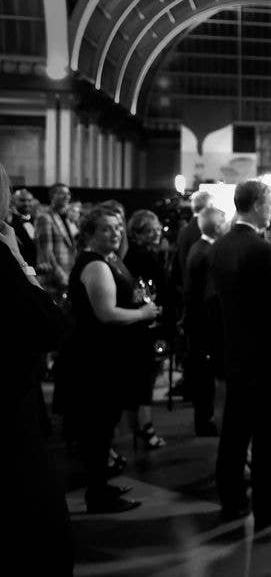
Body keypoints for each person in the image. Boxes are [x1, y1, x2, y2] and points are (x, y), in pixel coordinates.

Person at [210, 180, 271, 529]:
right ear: (258, 204)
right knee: (268, 432)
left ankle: (232, 500)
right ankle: (269, 505)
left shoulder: (220, 246)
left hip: (235, 352)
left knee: (234, 430)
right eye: (270, 203)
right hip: (266, 357)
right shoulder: (262, 250)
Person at [0, 164, 74, 575]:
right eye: (9, 190)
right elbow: (49, 327)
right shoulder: (4, 251)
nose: (14, 199)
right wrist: (19, 264)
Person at [64, 207, 159, 513]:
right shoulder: (95, 266)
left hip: (104, 357)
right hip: (96, 360)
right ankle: (97, 493)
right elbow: (106, 313)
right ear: (90, 233)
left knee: (103, 426)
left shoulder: (108, 260)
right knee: (98, 427)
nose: (116, 233)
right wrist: (143, 314)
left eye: (118, 227)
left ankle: (101, 486)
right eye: (106, 228)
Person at [123, 209, 171, 450]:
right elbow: (141, 291)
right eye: (150, 231)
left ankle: (143, 426)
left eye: (157, 229)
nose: (156, 234)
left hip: (150, 325)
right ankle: (145, 427)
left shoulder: (150, 253)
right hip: (144, 327)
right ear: (137, 233)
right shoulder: (139, 256)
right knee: (144, 379)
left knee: (147, 377)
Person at [183, 205, 226, 436]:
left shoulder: (198, 248)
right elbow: (210, 295)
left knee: (204, 375)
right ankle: (206, 420)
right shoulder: (208, 252)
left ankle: (205, 418)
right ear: (218, 226)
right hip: (206, 326)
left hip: (198, 323)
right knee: (206, 377)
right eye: (224, 219)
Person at [34, 183, 75, 299]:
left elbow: (72, 247)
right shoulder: (45, 217)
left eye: (68, 193)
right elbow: (46, 252)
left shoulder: (68, 218)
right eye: (62, 193)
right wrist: (61, 276)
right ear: (52, 196)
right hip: (53, 279)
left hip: (68, 274)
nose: (66, 196)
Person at [172, 190, 212, 296]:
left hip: (187, 288)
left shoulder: (184, 230)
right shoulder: (202, 230)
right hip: (199, 291)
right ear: (209, 206)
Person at [10, 187, 37, 266]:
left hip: (36, 266)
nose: (26, 203)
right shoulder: (9, 220)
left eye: (29, 200)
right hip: (20, 265)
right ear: (13, 201)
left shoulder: (36, 219)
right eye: (22, 200)